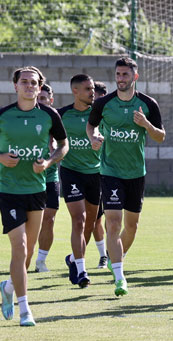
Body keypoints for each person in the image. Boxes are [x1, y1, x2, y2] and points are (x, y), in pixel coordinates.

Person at [0, 66, 69, 326]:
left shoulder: (50, 115)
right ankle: (25, 309)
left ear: (40, 88)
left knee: (27, 252)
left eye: (34, 83)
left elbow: (64, 145)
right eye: (24, 82)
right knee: (18, 247)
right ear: (15, 86)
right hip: (9, 189)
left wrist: (49, 163)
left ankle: (8, 288)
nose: (29, 86)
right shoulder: (1, 115)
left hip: (37, 189)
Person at [86, 57, 165, 296]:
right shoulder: (104, 104)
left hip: (136, 174)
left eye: (125, 75)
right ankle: (120, 277)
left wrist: (146, 124)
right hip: (110, 171)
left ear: (135, 77)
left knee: (131, 227)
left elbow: (160, 136)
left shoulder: (148, 104)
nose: (121, 79)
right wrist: (94, 137)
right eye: (118, 75)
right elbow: (92, 126)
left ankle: (115, 258)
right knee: (113, 223)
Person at [58, 74, 101, 288]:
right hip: (71, 172)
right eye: (87, 89)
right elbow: (50, 138)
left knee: (90, 224)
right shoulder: (62, 115)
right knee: (79, 219)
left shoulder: (99, 114)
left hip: (96, 173)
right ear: (75, 91)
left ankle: (73, 259)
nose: (92, 92)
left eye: (93, 88)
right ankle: (82, 270)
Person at [32, 83, 60, 272]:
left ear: (50, 100)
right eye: (37, 99)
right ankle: (23, 254)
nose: (40, 102)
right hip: (28, 176)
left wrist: (55, 148)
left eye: (43, 99)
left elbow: (63, 143)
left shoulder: (56, 119)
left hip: (50, 175)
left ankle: (41, 260)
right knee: (30, 221)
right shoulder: (26, 117)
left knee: (49, 219)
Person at [91, 81, 109, 269]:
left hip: (110, 172)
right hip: (90, 173)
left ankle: (109, 254)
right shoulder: (88, 119)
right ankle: (104, 255)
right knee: (95, 218)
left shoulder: (111, 116)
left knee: (112, 216)